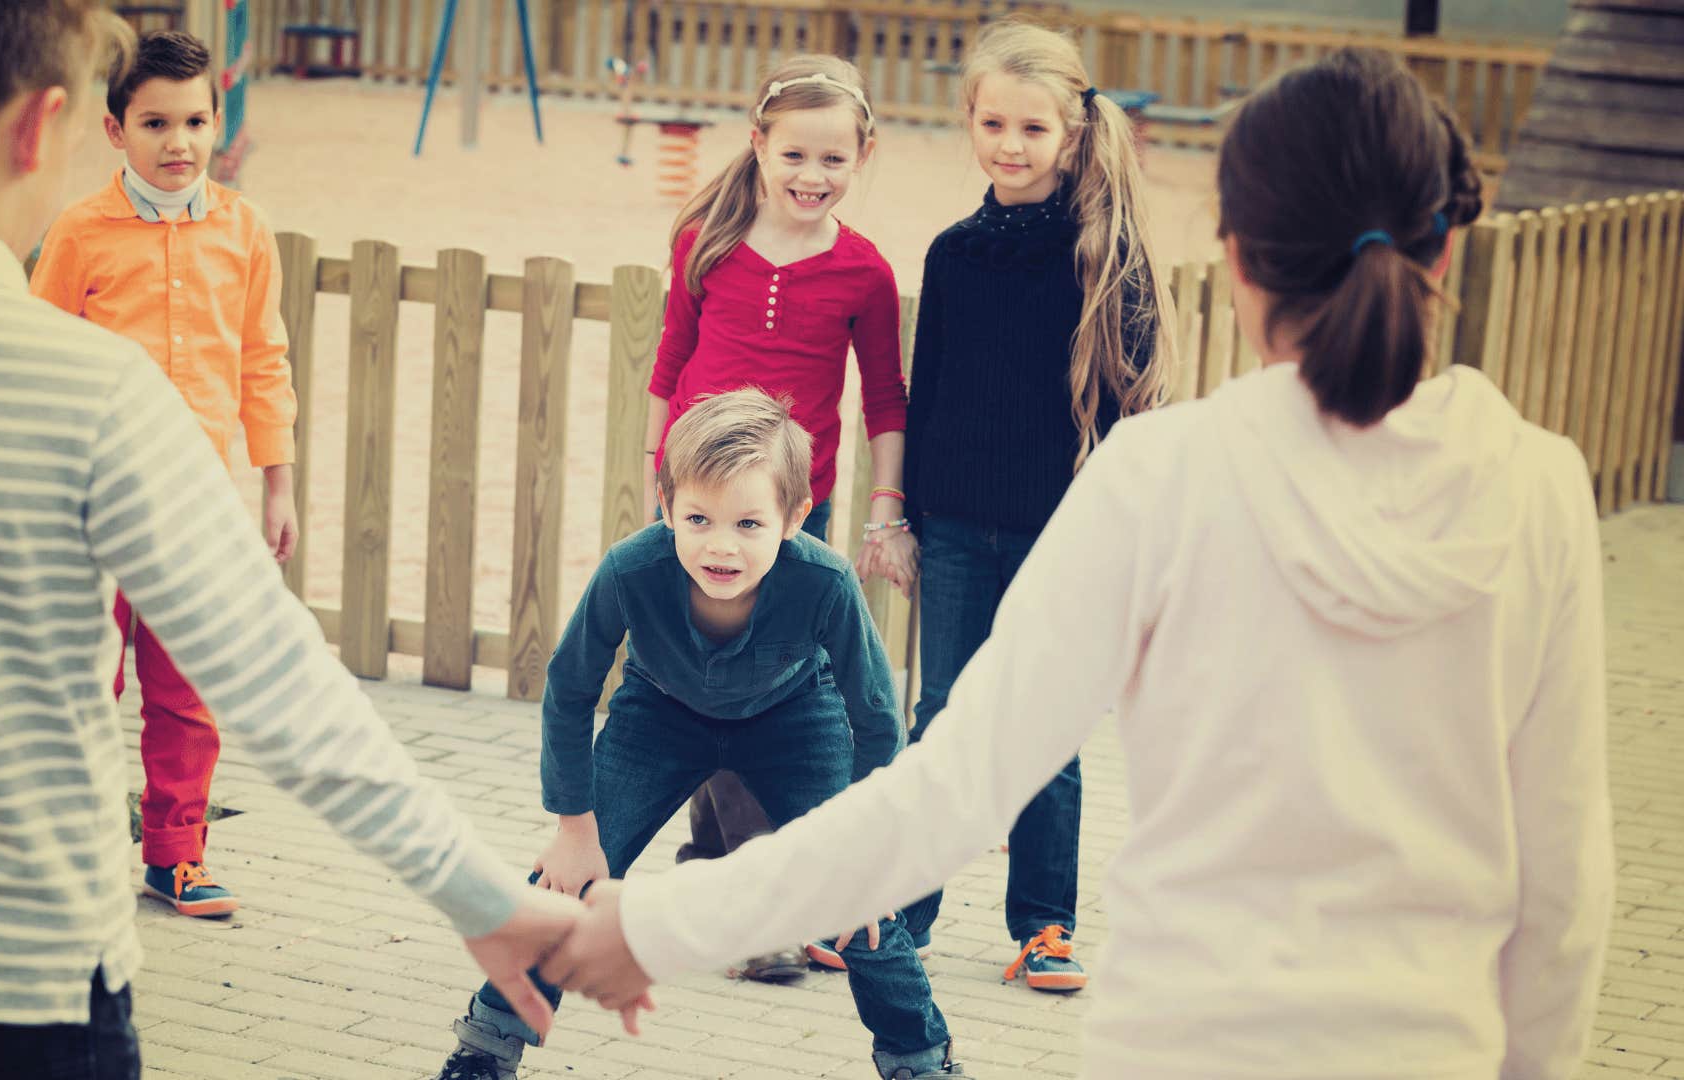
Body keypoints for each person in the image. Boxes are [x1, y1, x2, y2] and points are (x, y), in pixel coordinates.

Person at [545, 47, 1615, 1080]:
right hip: (1436, 1046)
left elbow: (952, 788)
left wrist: (649, 920)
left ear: (1236, 254)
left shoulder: (1163, 475)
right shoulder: (1540, 486)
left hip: (1182, 1039)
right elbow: (1564, 882)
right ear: (1440, 252)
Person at [0, 3, 573, 1075]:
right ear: (43, 129)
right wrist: (487, 899)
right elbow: (278, 684)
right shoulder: (98, 393)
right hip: (22, 987)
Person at [435, 390, 964, 1080]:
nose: (721, 544)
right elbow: (568, 690)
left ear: (794, 517)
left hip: (795, 720)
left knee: (859, 897)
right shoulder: (632, 569)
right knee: (564, 884)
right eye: (698, 518)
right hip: (659, 716)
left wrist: (869, 844)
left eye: (749, 522)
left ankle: (921, 1063)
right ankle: (486, 1047)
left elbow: (874, 719)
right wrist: (573, 825)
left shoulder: (826, 581)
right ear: (666, 506)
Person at [869, 19, 1173, 990]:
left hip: (1061, 535)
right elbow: (931, 388)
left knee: (1044, 726)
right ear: (969, 120)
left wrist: (1113, 540)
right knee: (945, 717)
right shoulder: (952, 254)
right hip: (954, 528)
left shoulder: (1102, 256)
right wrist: (906, 519)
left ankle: (1045, 925)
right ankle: (901, 915)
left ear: (1072, 134)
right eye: (993, 122)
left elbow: (1132, 416)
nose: (1011, 143)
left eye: (1032, 128)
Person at [644, 55, 920, 981]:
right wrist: (657, 485)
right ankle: (735, 891)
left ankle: (736, 886)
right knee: (704, 683)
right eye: (795, 152)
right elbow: (668, 364)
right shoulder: (708, 243)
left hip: (791, 514)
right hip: (695, 506)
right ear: (758, 144)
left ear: (863, 156)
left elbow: (885, 395)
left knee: (781, 690)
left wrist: (885, 507)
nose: (813, 175)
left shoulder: (863, 271)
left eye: (835, 159)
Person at [30, 28, 294, 918]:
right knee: (82, 684)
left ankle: (175, 855)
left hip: (195, 506)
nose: (177, 142)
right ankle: (67, 850)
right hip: (87, 505)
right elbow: (42, 354)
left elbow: (264, 358)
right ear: (115, 131)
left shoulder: (244, 231)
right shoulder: (78, 232)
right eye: (154, 123)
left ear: (220, 123)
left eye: (194, 121)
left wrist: (277, 481)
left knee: (186, 689)